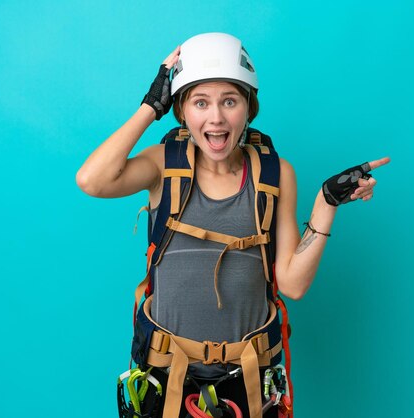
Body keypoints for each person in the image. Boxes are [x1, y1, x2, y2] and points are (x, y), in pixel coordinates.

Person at [77, 32, 389, 418]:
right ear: (181, 111)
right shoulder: (163, 165)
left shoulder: (275, 174)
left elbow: (292, 284)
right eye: (200, 102)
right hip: (166, 376)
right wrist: (149, 107)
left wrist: (326, 203)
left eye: (230, 101)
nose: (216, 117)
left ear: (248, 107)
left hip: (249, 383)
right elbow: (93, 180)